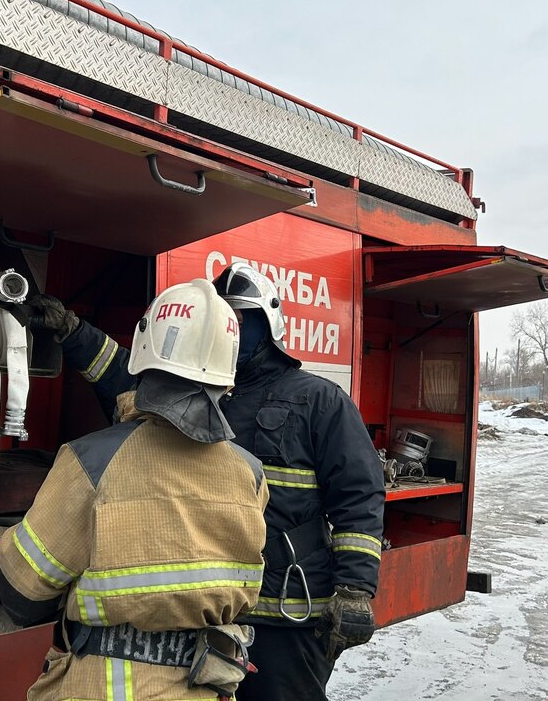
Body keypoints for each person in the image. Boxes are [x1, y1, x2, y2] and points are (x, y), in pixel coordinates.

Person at [31, 262, 384, 700]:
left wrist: (354, 590)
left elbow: (358, 497)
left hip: (287, 616)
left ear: (268, 325)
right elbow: (126, 374)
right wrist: (73, 331)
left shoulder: (320, 400)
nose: (230, 331)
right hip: (210, 615)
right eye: (224, 320)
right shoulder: (196, 392)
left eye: (241, 319)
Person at [0, 278, 270, 701]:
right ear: (228, 372)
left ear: (142, 352)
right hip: (207, 685)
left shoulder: (92, 460)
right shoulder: (250, 472)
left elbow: (23, 594)